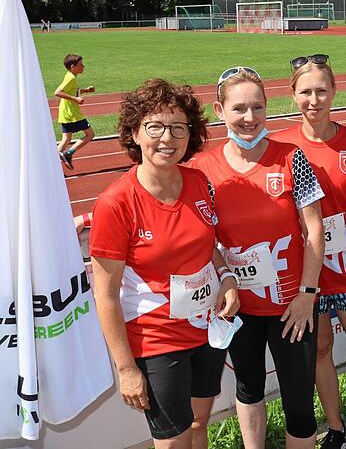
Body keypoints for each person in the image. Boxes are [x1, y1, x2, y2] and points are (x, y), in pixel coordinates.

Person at [89, 78, 240, 448]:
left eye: (178, 128)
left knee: (199, 422)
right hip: (156, 338)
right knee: (172, 440)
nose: (167, 138)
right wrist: (126, 369)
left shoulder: (198, 181)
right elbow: (105, 296)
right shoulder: (116, 203)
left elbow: (210, 246)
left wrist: (228, 278)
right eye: (154, 126)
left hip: (206, 327)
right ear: (135, 134)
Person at [188, 66, 326, 449]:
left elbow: (315, 232)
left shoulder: (292, 158)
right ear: (220, 110)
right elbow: (203, 238)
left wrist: (307, 294)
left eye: (258, 108)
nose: (249, 118)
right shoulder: (203, 169)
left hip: (292, 307)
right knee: (248, 389)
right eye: (239, 109)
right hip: (239, 307)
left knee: (299, 402)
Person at [279, 54, 346, 449]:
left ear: (334, 91)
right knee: (321, 351)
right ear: (293, 96)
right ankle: (336, 428)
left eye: (321, 90)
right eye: (305, 91)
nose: (314, 99)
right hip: (307, 274)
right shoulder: (281, 147)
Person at [55, 54, 96, 170]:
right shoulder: (71, 78)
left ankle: (52, 165)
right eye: (81, 65)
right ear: (73, 66)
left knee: (66, 140)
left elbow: (72, 91)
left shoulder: (70, 76)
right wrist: (76, 99)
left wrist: (85, 90)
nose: (83, 66)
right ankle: (69, 153)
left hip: (65, 113)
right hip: (72, 114)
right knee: (90, 135)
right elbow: (58, 92)